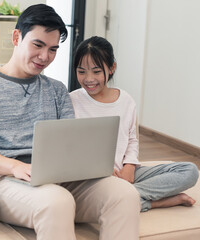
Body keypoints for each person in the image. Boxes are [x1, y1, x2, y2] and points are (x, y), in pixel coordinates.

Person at [0, 4, 140, 240]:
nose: (45, 57)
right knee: (57, 200)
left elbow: (70, 142)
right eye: (38, 45)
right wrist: (15, 166)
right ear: (16, 37)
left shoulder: (57, 90)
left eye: (53, 49)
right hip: (3, 182)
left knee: (124, 193)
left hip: (58, 179)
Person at [70, 36, 199, 212]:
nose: (89, 78)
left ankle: (125, 198)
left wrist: (129, 166)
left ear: (112, 68)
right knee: (87, 197)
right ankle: (153, 202)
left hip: (126, 173)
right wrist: (104, 171)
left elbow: (131, 139)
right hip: (94, 179)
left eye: (96, 71)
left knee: (190, 171)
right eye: (81, 71)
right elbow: (73, 147)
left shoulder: (126, 100)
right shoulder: (72, 101)